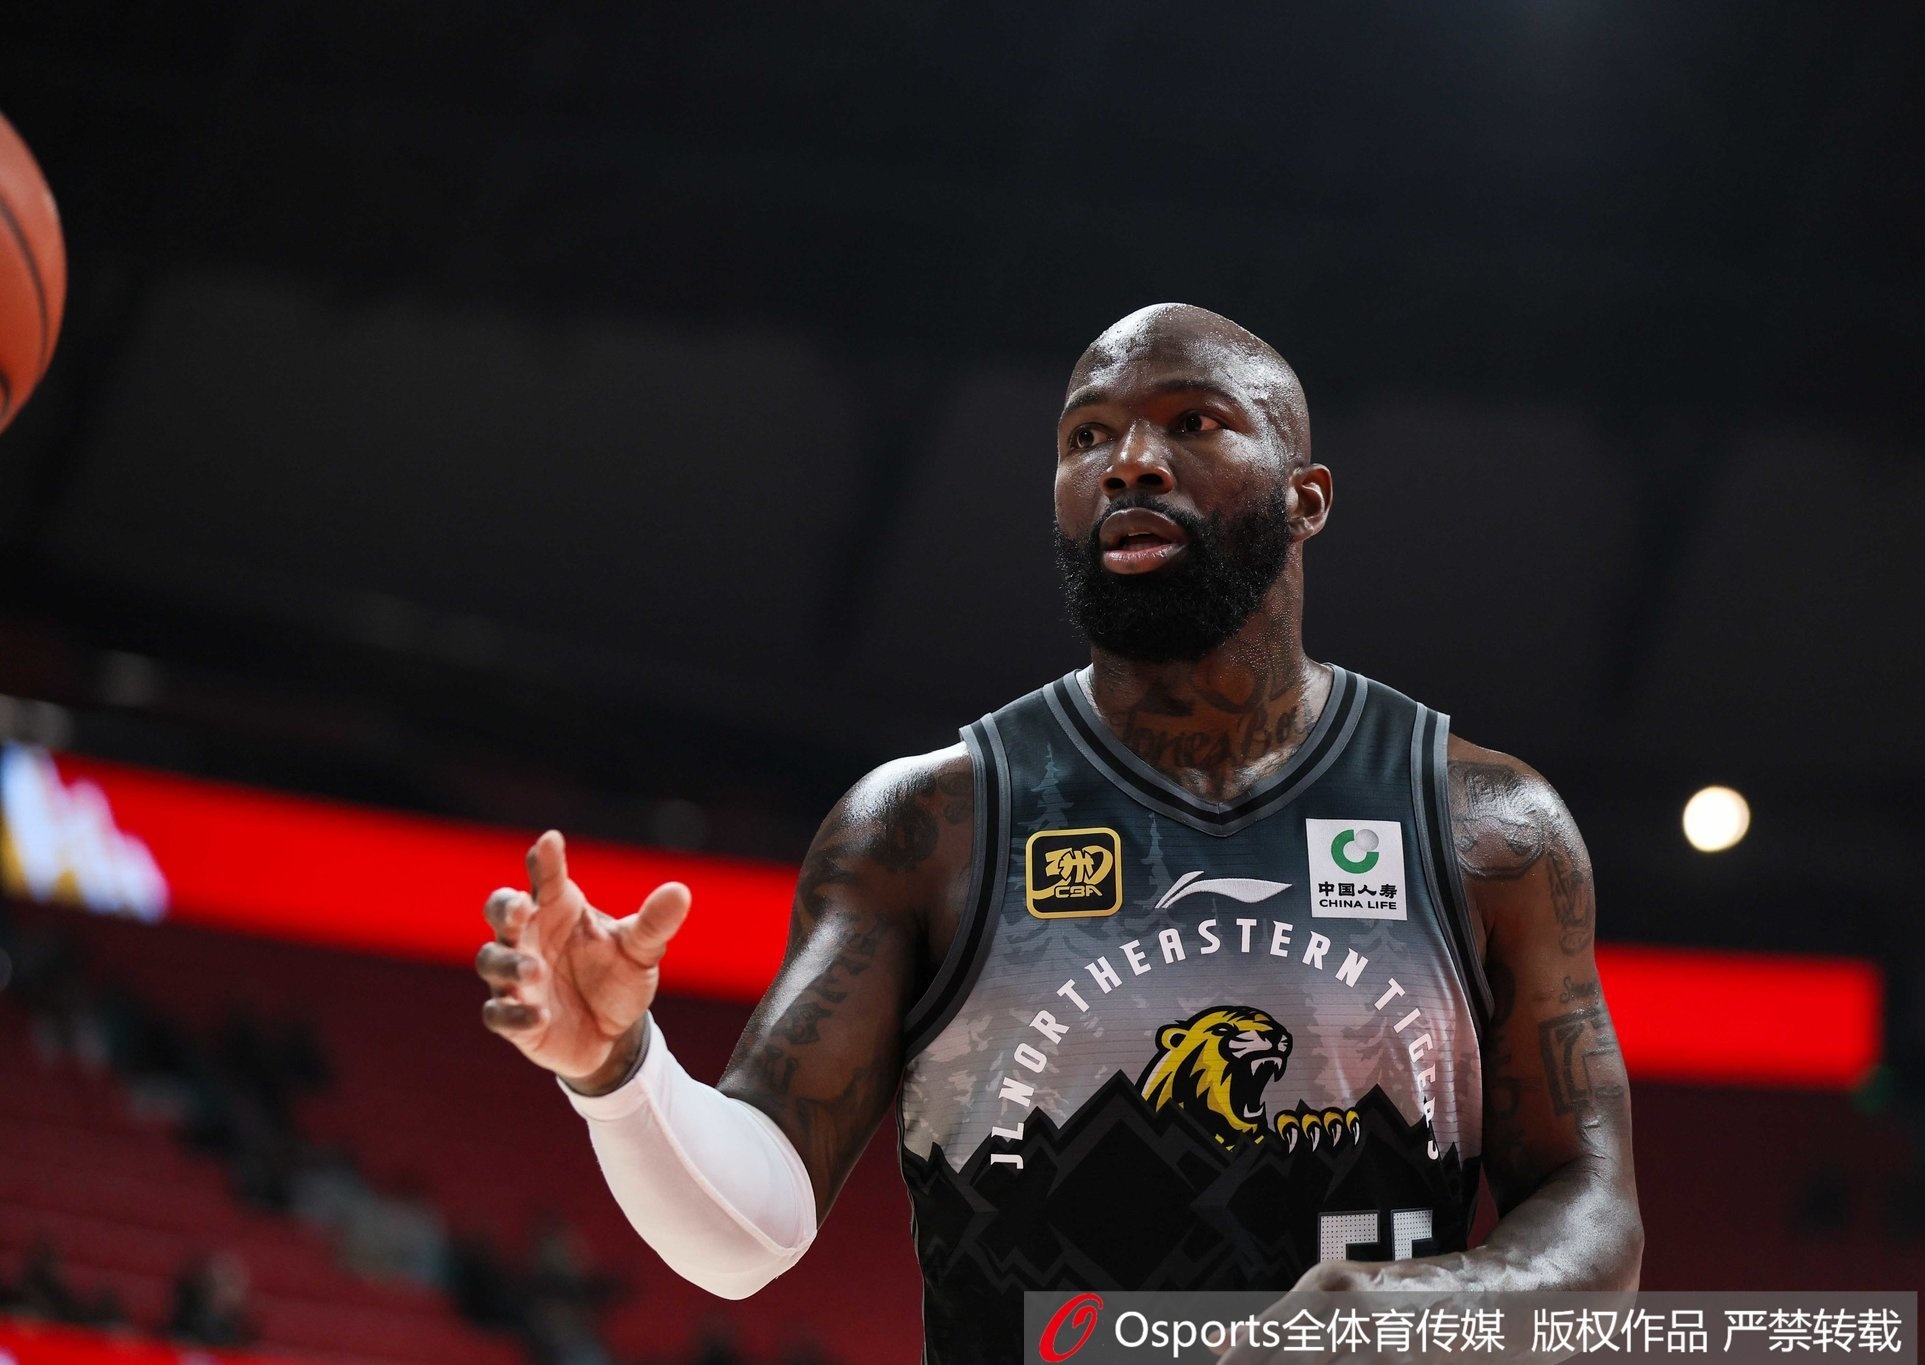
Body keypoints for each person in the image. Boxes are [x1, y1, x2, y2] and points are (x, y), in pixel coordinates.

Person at [475, 304, 1643, 1362]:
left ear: (1306, 499)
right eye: (1086, 436)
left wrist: (1425, 1307)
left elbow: (1593, 1218)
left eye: (1192, 422)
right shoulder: (925, 826)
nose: (1128, 460)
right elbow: (746, 1238)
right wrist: (618, 1074)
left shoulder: (1487, 824)